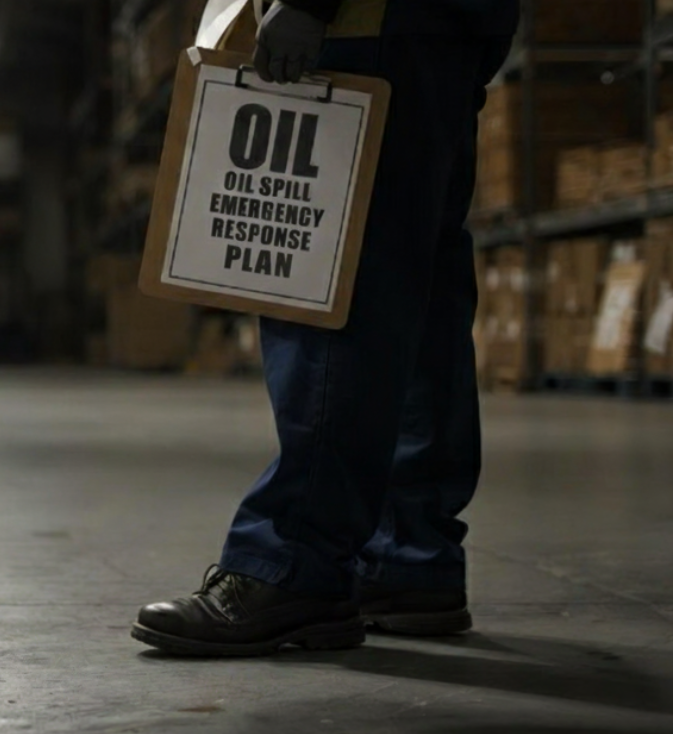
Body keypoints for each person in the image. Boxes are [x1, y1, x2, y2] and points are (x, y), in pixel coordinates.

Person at [131, 0, 521, 657]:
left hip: (365, 19)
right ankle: (407, 556)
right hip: (434, 29)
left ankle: (292, 566)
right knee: (413, 293)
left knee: (330, 290)